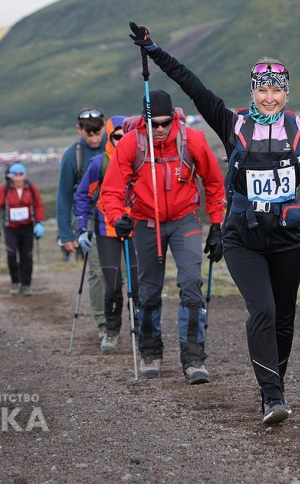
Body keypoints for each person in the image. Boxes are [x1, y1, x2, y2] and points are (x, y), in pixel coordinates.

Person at [127, 8, 300, 425]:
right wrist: (154, 51)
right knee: (261, 309)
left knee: (284, 318)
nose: (269, 97)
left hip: (286, 240)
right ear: (253, 91)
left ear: (286, 94)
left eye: (276, 91)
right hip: (241, 238)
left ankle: (273, 385)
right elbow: (193, 86)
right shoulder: (233, 125)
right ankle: (271, 396)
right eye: (262, 89)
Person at [101, 89, 226, 385]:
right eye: (153, 123)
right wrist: (118, 218)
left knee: (192, 284)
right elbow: (112, 190)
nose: (159, 129)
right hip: (145, 221)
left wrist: (218, 225)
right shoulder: (132, 142)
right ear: (145, 120)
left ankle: (194, 359)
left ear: (174, 118)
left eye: (164, 122)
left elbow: (214, 182)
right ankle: (150, 352)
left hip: (185, 220)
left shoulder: (191, 139)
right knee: (148, 291)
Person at [74, 116, 139, 354]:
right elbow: (82, 195)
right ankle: (111, 332)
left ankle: (142, 331)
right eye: (117, 137)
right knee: (112, 286)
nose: (122, 141)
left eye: (127, 136)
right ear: (109, 137)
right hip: (106, 231)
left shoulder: (141, 159)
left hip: (137, 229)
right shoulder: (99, 163)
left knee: (140, 285)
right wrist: (82, 227)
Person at [56, 108, 108, 344]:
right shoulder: (72, 156)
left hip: (120, 220)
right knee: (97, 273)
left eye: (98, 132)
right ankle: (103, 323)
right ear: (79, 130)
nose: (94, 138)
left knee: (126, 274)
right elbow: (64, 197)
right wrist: (66, 233)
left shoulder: (116, 145)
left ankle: (133, 321)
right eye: (89, 133)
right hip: (89, 222)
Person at [0, 163, 45, 296]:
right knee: (12, 255)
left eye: (21, 175)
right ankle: (15, 282)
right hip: (11, 228)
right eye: (16, 175)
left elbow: (38, 205)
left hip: (27, 227)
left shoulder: (31, 188)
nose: (19, 178)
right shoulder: (5, 189)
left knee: (27, 256)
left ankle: (26, 285)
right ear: (11, 177)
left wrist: (39, 223)